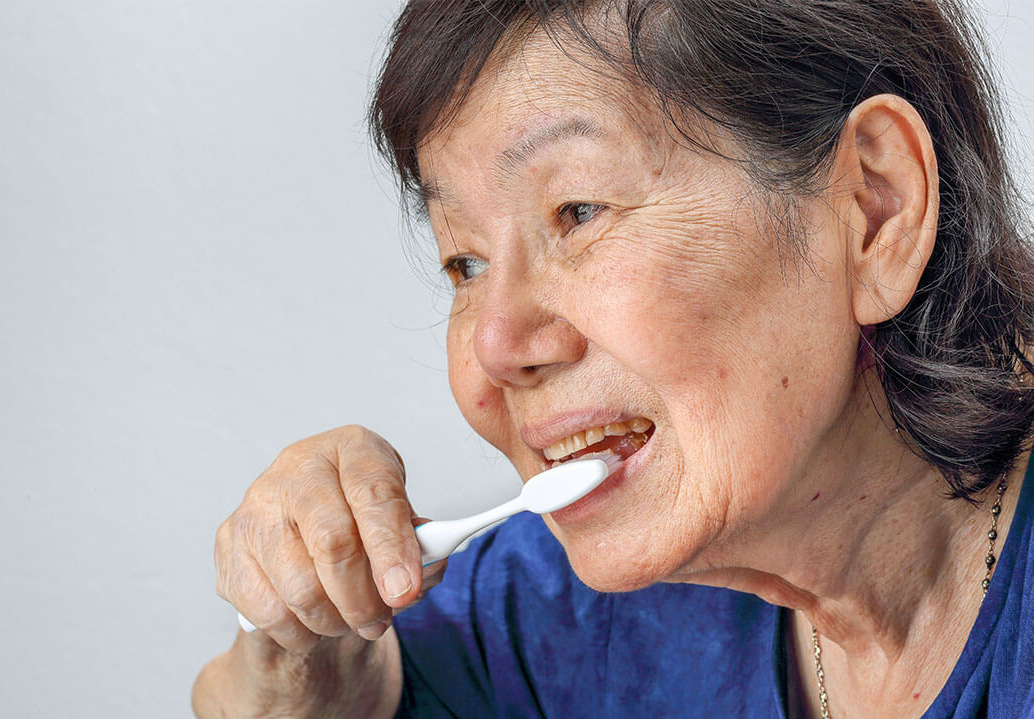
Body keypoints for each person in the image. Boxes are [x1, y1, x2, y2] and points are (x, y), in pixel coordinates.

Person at [192, 1, 1034, 716]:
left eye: (578, 211)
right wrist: (299, 640)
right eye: (465, 263)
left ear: (872, 208)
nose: (495, 345)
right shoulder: (556, 615)